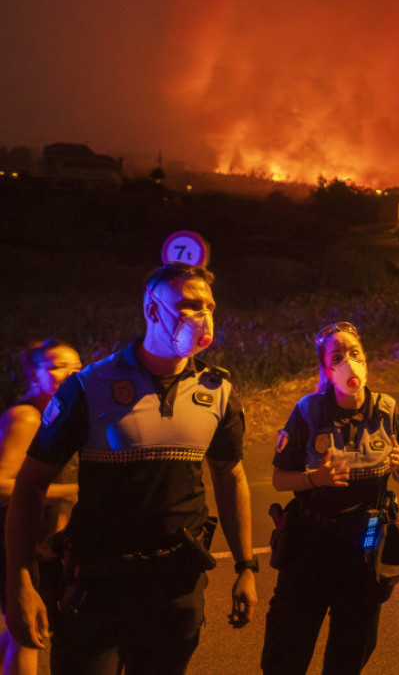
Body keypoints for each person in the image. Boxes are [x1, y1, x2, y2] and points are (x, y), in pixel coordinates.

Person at [4, 262, 257, 675]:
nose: (204, 316)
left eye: (209, 306)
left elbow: (231, 475)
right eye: (189, 305)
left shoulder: (219, 392)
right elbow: (31, 481)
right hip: (98, 584)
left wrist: (246, 566)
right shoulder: (89, 387)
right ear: (152, 309)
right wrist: (19, 579)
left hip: (176, 585)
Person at [261, 320, 399, 675]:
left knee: (350, 652)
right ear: (326, 370)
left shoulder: (387, 410)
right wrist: (315, 479)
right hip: (310, 547)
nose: (348, 363)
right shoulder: (308, 411)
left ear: (366, 359)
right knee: (287, 651)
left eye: (354, 353)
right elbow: (279, 479)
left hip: (366, 547)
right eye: (338, 357)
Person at [0, 340, 81, 675]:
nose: (70, 373)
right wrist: (70, 491)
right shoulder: (26, 417)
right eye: (57, 366)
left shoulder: (54, 415)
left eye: (76, 367)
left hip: (34, 543)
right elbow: (2, 483)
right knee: (29, 634)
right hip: (13, 541)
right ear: (35, 374)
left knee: (18, 631)